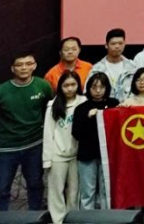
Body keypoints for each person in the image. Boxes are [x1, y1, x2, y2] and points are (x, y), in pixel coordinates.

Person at [0, 52, 52, 211]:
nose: (24, 68)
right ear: (12, 68)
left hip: (35, 145)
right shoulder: (0, 92)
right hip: (6, 148)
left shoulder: (43, 86)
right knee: (2, 188)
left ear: (34, 66)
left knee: (35, 183)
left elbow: (49, 110)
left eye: (28, 64)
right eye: (19, 64)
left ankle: (35, 216)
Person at [72, 72, 118, 211]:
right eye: (94, 87)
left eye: (102, 87)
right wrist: (88, 117)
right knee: (88, 192)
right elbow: (76, 133)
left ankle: (106, 218)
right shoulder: (81, 108)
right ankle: (87, 219)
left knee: (106, 192)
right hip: (87, 156)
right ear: (88, 88)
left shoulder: (114, 104)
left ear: (107, 88)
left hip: (108, 156)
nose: (98, 91)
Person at [43, 71, 85, 224]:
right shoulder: (53, 105)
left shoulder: (83, 102)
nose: (70, 88)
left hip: (77, 155)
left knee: (74, 191)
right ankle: (57, 220)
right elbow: (48, 133)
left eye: (73, 84)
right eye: (66, 85)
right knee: (56, 191)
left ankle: (72, 218)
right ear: (60, 87)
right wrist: (47, 159)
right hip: (57, 155)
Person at [89, 28, 137, 98]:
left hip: (128, 104)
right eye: (113, 44)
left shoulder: (132, 67)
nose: (117, 46)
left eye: (120, 43)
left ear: (124, 44)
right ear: (106, 45)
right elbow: (88, 92)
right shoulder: (96, 69)